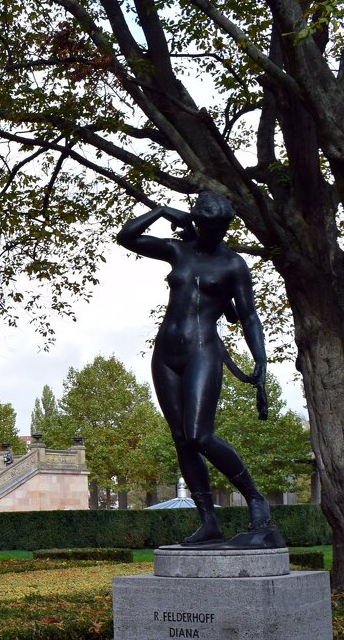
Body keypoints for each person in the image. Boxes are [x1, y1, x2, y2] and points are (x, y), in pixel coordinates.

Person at [116, 190, 276, 545]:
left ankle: (255, 499)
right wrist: (158, 209)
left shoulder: (233, 265)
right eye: (207, 227)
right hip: (166, 354)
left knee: (199, 435)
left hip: (203, 351)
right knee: (181, 440)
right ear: (196, 222)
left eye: (220, 229)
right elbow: (127, 237)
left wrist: (260, 358)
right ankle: (208, 522)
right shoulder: (179, 250)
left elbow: (249, 316)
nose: (214, 234)